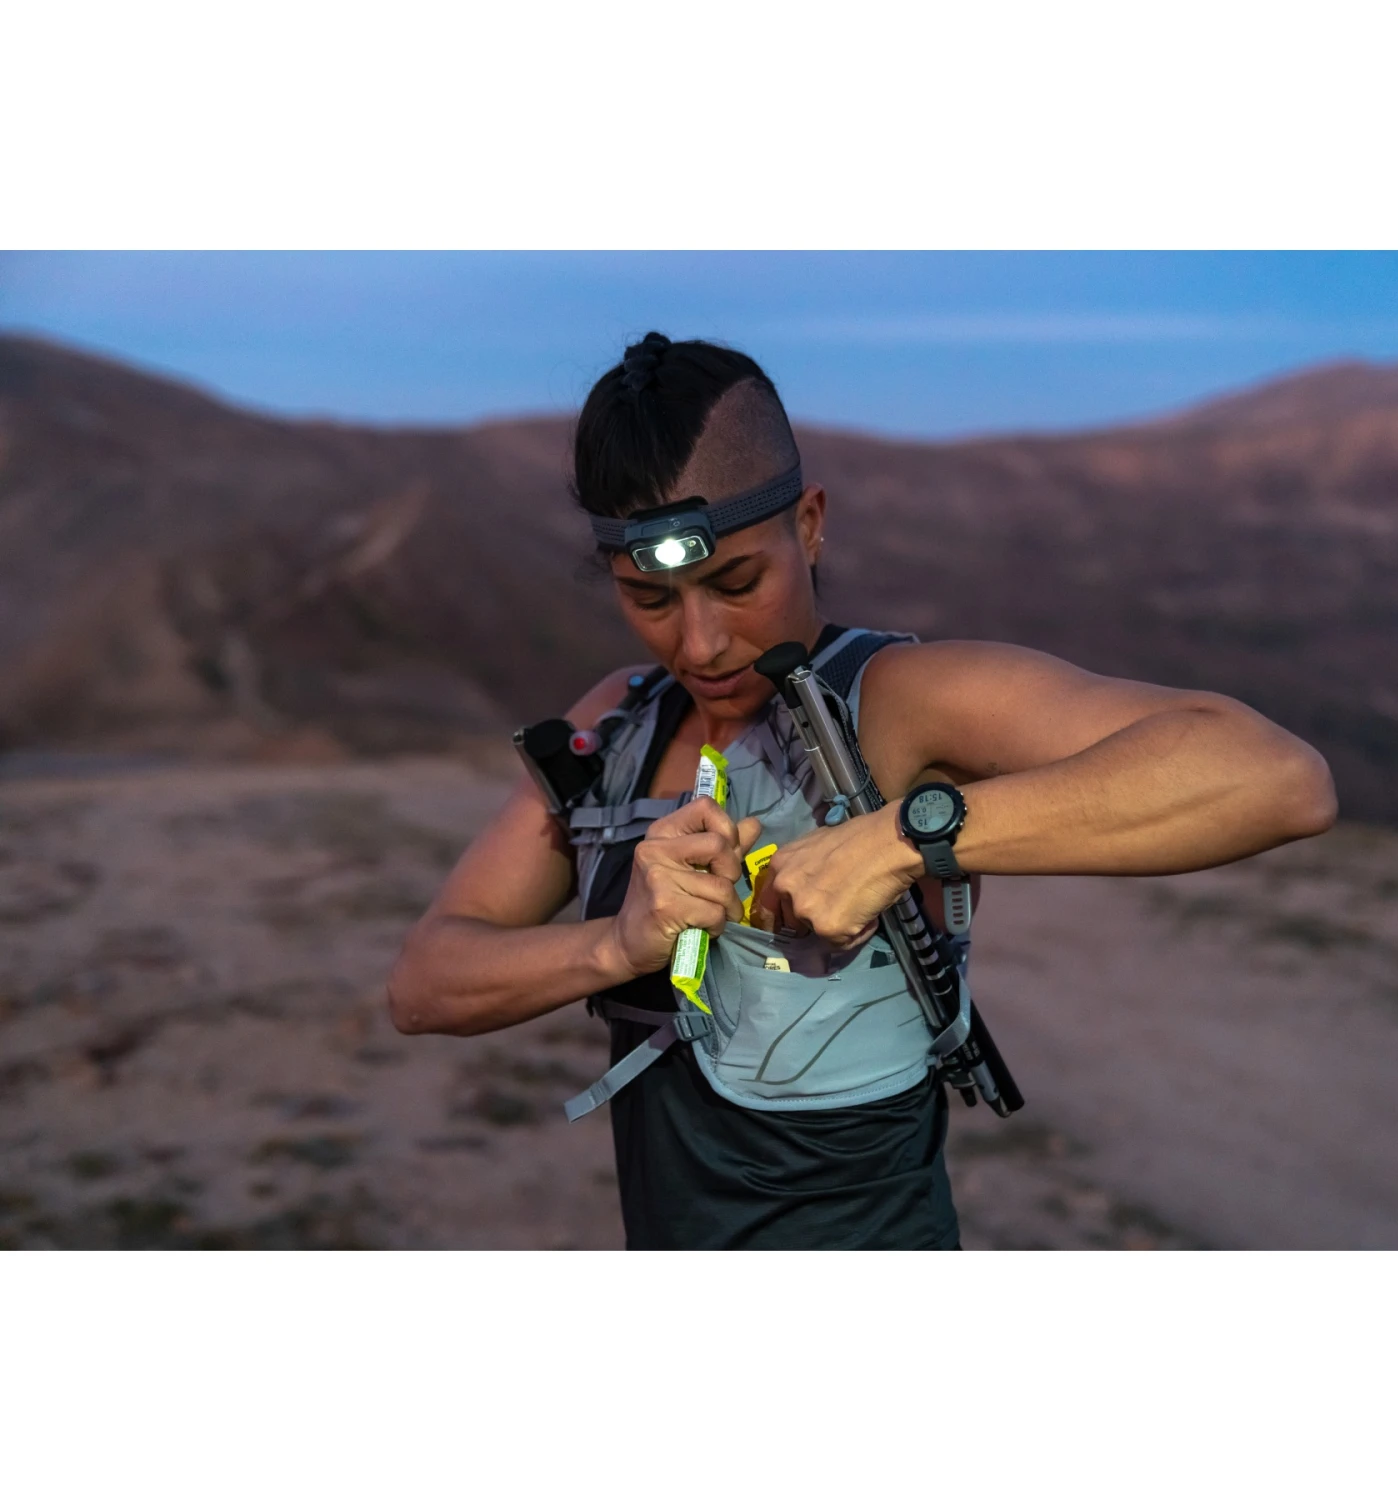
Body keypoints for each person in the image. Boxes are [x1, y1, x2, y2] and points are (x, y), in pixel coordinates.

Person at [387, 332, 1337, 1250]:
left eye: (738, 582)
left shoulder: (902, 702)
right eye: (650, 599)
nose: (700, 643)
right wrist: (615, 946)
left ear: (809, 524)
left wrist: (898, 841)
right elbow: (425, 984)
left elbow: (1275, 778)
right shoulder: (620, 724)